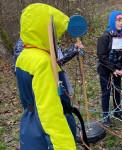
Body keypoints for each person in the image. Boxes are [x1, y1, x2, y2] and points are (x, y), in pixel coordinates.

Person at [15, 3, 77, 149]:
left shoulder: (24, 56)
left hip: (30, 126)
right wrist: (64, 146)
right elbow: (50, 114)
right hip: (43, 131)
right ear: (46, 29)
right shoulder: (43, 62)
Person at [97, 10, 122, 127]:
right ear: (113, 21)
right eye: (118, 21)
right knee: (106, 92)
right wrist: (112, 69)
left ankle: (117, 112)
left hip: (118, 69)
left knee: (117, 91)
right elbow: (102, 57)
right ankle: (106, 116)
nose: (120, 23)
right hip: (106, 69)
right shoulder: (104, 37)